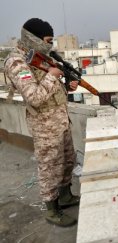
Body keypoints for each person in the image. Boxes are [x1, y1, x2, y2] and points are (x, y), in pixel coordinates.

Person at [4, 18, 79, 227]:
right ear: (32, 38)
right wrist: (52, 77)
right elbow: (34, 97)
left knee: (67, 161)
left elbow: (51, 89)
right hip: (44, 125)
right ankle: (52, 210)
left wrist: (67, 87)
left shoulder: (41, 57)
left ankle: (65, 197)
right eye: (47, 40)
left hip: (61, 120)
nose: (50, 45)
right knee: (50, 168)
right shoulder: (16, 61)